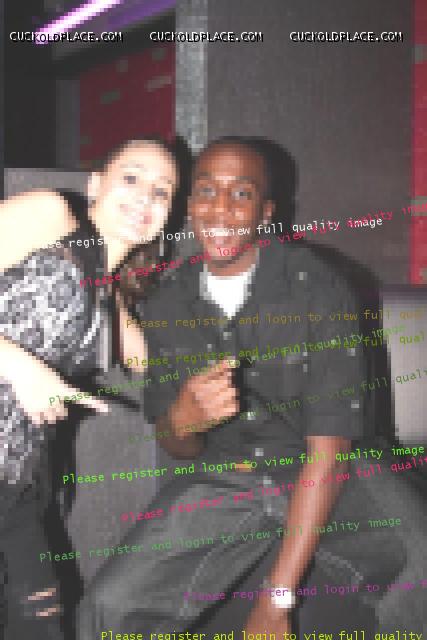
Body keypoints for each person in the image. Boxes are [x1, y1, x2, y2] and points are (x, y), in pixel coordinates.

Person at [76, 138, 404, 637]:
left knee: (411, 593)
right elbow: (175, 443)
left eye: (241, 193)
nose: (221, 209)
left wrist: (276, 600)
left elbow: (330, 453)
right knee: (109, 608)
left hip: (330, 471)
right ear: (189, 205)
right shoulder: (167, 301)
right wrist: (182, 420)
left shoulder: (315, 287)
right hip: (230, 476)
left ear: (266, 212)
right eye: (207, 191)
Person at [0, 138, 179, 638]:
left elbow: (163, 371)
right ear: (96, 184)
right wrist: (19, 366)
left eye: (162, 191)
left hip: (17, 486)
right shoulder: (50, 215)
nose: (145, 197)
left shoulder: (109, 296)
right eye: (131, 178)